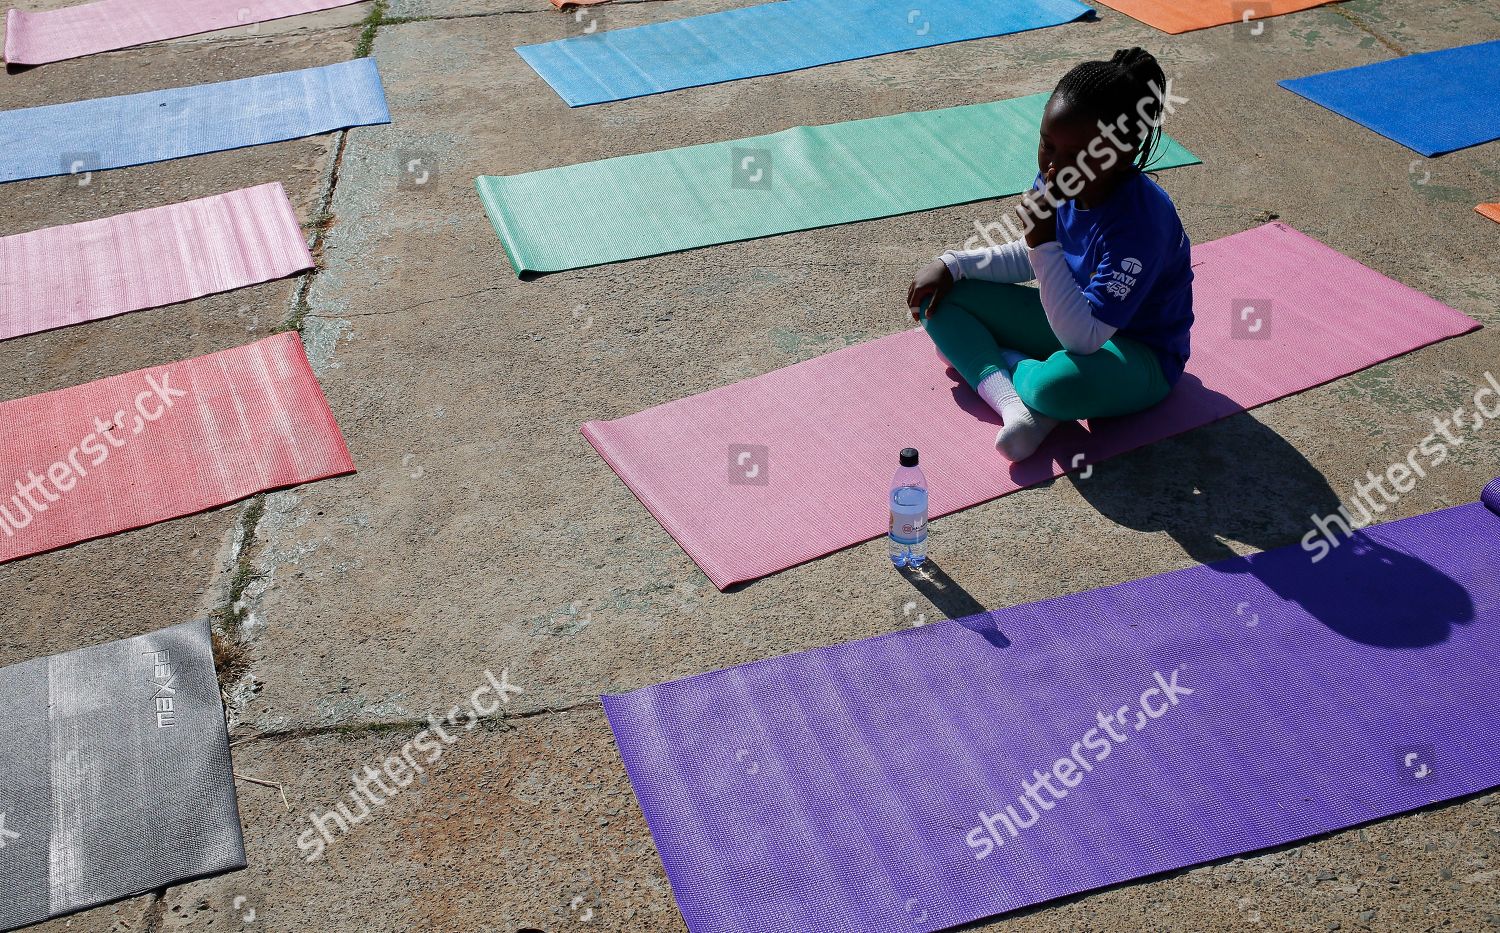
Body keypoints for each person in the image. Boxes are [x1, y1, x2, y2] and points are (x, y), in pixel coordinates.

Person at [907, 47, 1194, 462]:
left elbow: (1083, 337)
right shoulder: (1062, 179)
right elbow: (1036, 257)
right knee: (938, 301)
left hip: (1137, 352)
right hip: (1071, 318)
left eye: (1076, 155)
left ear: (1124, 151)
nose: (1056, 168)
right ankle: (1015, 410)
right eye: (1047, 146)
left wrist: (1040, 240)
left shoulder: (1141, 223)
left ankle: (997, 362)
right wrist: (954, 265)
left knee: (1055, 387)